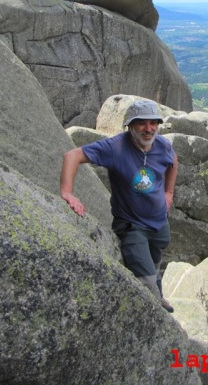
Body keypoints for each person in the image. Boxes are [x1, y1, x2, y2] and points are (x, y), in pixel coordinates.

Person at [60, 99, 178, 313]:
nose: (149, 129)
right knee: (146, 281)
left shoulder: (162, 145)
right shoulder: (115, 147)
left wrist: (169, 193)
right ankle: (154, 316)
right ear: (130, 125)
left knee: (155, 263)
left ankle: (159, 297)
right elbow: (72, 156)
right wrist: (67, 193)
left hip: (159, 223)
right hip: (132, 226)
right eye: (142, 123)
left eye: (153, 123)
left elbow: (173, 160)